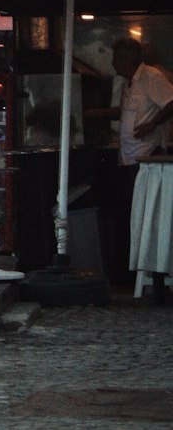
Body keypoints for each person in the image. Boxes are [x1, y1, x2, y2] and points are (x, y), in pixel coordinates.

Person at [90, 38, 173, 296]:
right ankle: (125, 271)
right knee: (126, 214)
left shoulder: (151, 77)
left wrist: (151, 125)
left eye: (116, 59)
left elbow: (170, 102)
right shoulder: (128, 84)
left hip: (146, 157)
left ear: (127, 59)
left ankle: (137, 272)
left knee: (138, 215)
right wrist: (101, 114)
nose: (113, 64)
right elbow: (128, 113)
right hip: (127, 157)